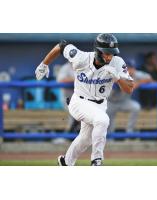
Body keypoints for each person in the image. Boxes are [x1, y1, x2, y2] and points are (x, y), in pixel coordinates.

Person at [35, 33, 134, 166]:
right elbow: (61, 45)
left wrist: (118, 78)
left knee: (86, 139)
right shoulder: (80, 58)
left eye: (112, 53)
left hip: (100, 105)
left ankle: (65, 162)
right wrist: (44, 64)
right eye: (106, 53)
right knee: (102, 120)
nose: (110, 56)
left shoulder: (117, 62)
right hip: (79, 102)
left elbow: (129, 89)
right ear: (98, 51)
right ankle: (97, 160)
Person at [107, 59, 153, 133]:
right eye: (128, 68)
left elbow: (149, 78)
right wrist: (131, 85)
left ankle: (129, 131)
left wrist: (138, 83)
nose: (131, 70)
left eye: (132, 68)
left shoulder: (134, 74)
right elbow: (121, 88)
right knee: (109, 127)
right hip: (111, 103)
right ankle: (110, 139)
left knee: (136, 107)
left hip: (124, 102)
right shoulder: (117, 74)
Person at [56, 62, 80, 133]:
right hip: (68, 97)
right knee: (74, 115)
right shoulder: (65, 68)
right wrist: (76, 80)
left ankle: (73, 133)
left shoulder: (82, 66)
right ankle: (69, 134)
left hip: (80, 97)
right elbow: (61, 80)